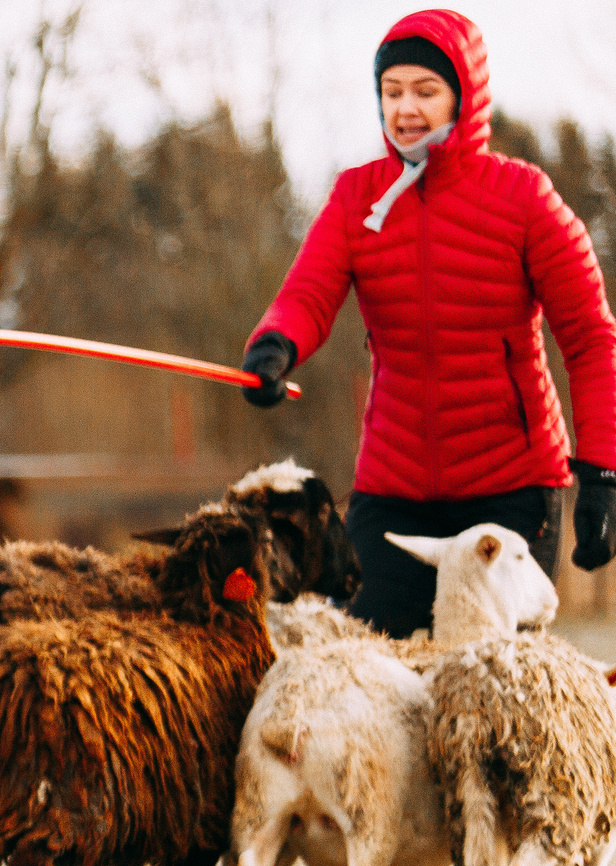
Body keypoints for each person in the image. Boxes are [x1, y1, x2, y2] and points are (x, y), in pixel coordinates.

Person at [242, 9, 616, 638]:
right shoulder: (357, 197)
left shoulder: (524, 198)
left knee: (491, 690)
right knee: (367, 672)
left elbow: (590, 339)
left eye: (425, 91)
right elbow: (308, 292)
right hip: (393, 490)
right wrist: (274, 346)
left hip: (511, 493)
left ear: (463, 99)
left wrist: (602, 474)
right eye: (392, 92)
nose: (406, 109)